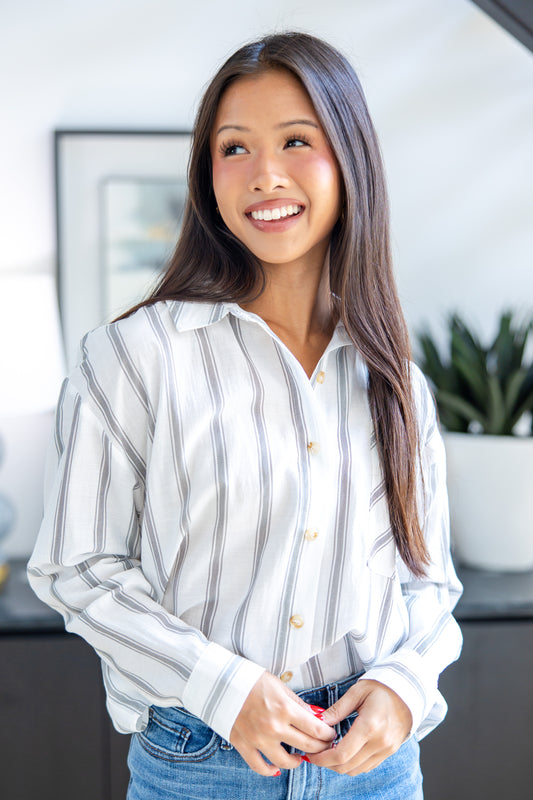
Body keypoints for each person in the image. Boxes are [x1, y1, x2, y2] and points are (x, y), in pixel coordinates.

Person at [28, 31, 462, 800]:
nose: (264, 175)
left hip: (372, 767)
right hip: (202, 761)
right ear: (208, 174)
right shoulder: (136, 355)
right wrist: (224, 688)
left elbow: (427, 583)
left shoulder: (394, 378)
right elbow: (77, 569)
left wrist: (404, 684)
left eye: (297, 140)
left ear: (350, 157)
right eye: (234, 148)